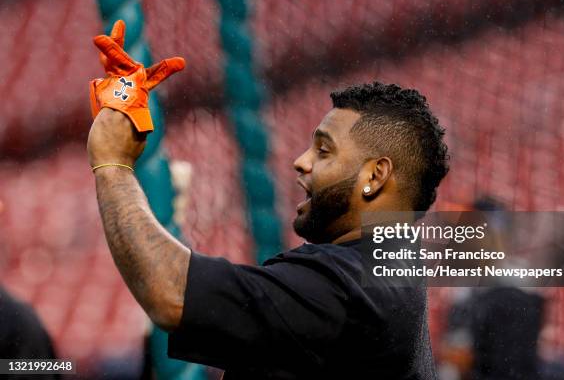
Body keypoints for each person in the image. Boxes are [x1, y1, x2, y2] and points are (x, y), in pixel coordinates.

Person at [87, 21, 449, 379]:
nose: (301, 161)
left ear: (374, 176)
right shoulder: (386, 269)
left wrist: (113, 164)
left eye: (323, 150)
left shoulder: (347, 286)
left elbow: (171, 296)